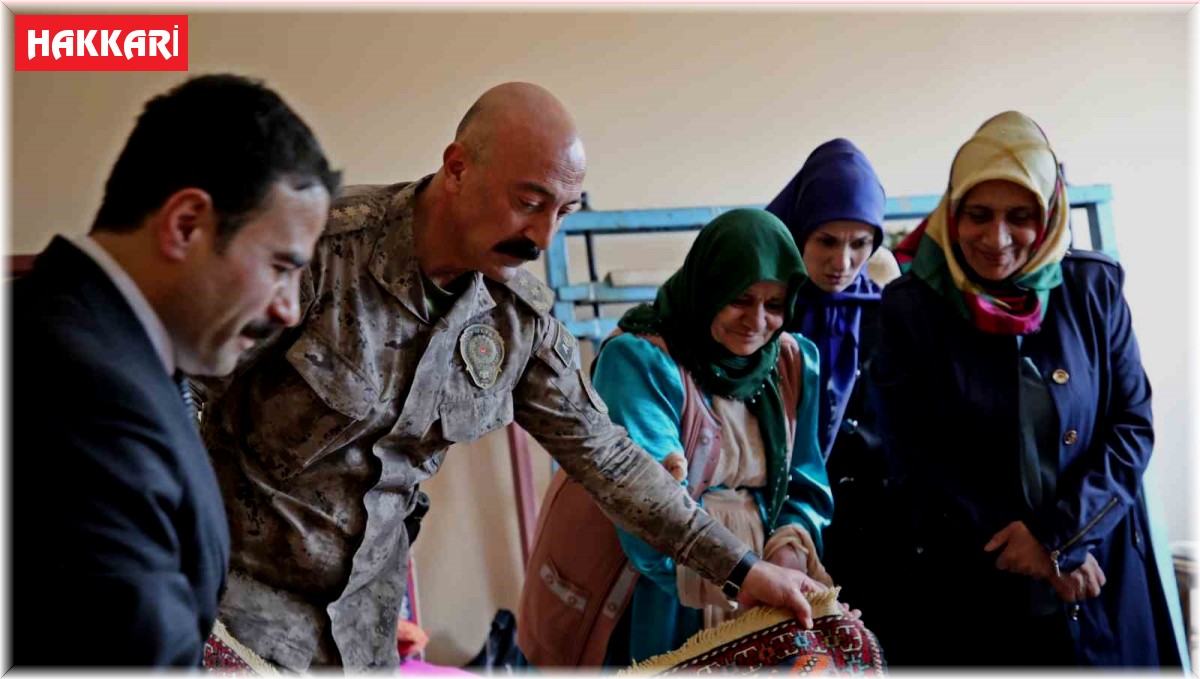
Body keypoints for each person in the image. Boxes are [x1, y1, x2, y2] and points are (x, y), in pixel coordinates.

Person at [193, 82, 827, 672]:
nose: (543, 236)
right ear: (457, 168)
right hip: (233, 607)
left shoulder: (515, 320)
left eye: (564, 211)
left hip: (361, 626)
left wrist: (742, 570)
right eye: (529, 203)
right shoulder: (321, 251)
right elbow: (183, 389)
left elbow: (609, 458)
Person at [10, 73, 339, 666]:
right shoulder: (83, 388)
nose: (288, 309)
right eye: (280, 268)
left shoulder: (109, 345)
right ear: (186, 223)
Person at [872, 110, 1182, 666]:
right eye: (978, 215)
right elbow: (911, 451)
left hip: (1097, 568)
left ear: (1050, 215)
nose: (997, 239)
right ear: (952, 212)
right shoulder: (912, 309)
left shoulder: (1093, 287)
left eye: (1020, 217)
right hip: (974, 576)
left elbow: (1131, 426)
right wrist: (1026, 547)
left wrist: (1062, 541)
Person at [587, 208, 835, 666]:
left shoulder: (790, 363)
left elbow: (805, 482)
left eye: (775, 305)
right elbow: (648, 506)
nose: (756, 321)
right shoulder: (641, 360)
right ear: (707, 287)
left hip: (769, 572)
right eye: (740, 298)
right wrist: (744, 577)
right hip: (670, 584)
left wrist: (786, 557)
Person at [764, 138, 899, 643]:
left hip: (871, 528)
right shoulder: (763, 309)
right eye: (826, 241)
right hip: (778, 526)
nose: (842, 261)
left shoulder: (887, 309)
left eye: (860, 243)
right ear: (799, 230)